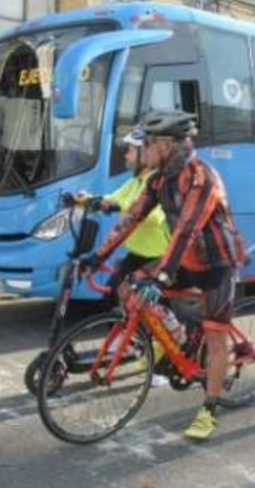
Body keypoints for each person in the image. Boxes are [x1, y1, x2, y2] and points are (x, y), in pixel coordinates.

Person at [85, 111, 246, 441]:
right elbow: (131, 217)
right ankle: (174, 340)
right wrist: (98, 255)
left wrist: (161, 277)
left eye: (148, 144)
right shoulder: (158, 179)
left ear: (167, 145)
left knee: (216, 338)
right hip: (184, 259)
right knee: (130, 289)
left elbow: (187, 228)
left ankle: (209, 409)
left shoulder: (203, 177)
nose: (143, 150)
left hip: (217, 263)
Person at [91, 126, 170, 294]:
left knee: (142, 304)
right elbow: (112, 197)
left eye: (130, 150)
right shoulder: (135, 181)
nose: (126, 155)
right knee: (112, 293)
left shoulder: (156, 181)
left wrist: (120, 207)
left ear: (145, 153)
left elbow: (154, 216)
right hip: (137, 253)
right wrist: (85, 200)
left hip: (157, 257)